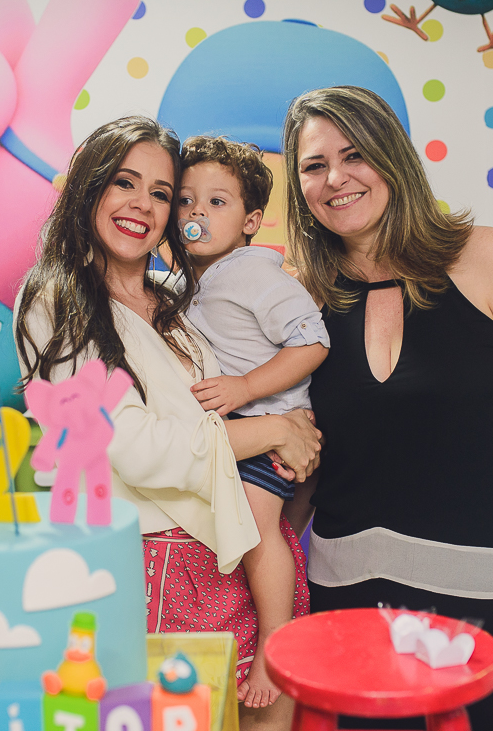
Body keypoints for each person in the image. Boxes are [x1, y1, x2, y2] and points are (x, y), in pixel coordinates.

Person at [280, 86, 493, 729]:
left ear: (394, 159)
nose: (336, 178)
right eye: (314, 166)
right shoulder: (297, 296)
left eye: (355, 155)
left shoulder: (488, 258)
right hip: (348, 608)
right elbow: (306, 459)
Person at [13, 116, 322, 730]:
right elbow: (132, 447)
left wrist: (295, 424)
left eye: (160, 192)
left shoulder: (180, 303)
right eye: (125, 183)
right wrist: (274, 431)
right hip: (154, 576)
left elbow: (235, 393)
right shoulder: (56, 298)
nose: (144, 205)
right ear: (88, 189)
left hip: (248, 552)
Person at [175, 136, 329, 708]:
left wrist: (246, 388)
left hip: (265, 422)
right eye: (186, 201)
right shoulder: (196, 279)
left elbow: (313, 340)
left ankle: (273, 643)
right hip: (240, 427)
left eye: (216, 202)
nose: (196, 214)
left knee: (261, 536)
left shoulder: (254, 275)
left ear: (251, 221)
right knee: (258, 536)